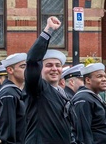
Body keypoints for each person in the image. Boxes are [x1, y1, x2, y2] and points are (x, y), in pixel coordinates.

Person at [24, 16, 72, 144]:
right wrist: (48, 31)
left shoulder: (63, 94)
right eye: (49, 65)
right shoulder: (38, 88)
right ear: (40, 69)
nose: (54, 69)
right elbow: (32, 60)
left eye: (58, 65)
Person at [70, 62, 106, 144]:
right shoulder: (83, 98)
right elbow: (83, 133)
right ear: (88, 80)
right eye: (100, 76)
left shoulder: (93, 97)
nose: (104, 79)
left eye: (105, 76)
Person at [0, 52, 27, 144]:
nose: (27, 70)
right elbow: (7, 135)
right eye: (23, 67)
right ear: (10, 70)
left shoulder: (17, 91)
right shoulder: (8, 94)